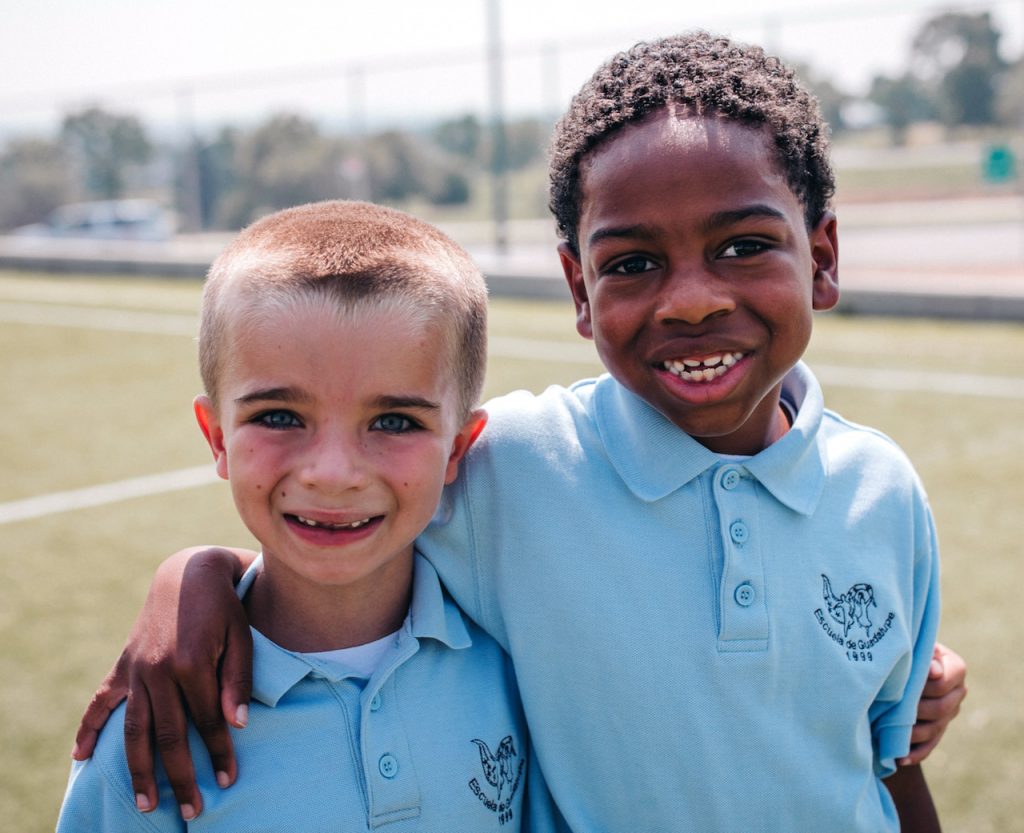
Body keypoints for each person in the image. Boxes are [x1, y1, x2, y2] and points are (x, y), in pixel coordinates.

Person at [73, 33, 967, 831]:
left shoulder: (884, 490)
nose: (693, 296)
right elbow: (343, 508)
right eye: (634, 262)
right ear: (580, 291)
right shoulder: (517, 467)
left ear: (824, 256)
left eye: (742, 245)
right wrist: (194, 579)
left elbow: (890, 756)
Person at [57, 200, 560, 831]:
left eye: (395, 422)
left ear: (458, 446)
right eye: (278, 417)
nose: (332, 471)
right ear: (216, 437)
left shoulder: (522, 666)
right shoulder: (153, 734)